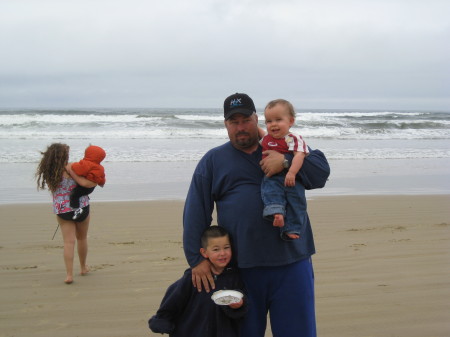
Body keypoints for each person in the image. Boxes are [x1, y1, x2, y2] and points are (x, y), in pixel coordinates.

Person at [183, 93, 317, 337]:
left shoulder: (287, 146)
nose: (241, 127)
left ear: (257, 120)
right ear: (226, 125)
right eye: (234, 122)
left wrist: (286, 162)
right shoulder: (213, 161)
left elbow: (320, 173)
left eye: (246, 120)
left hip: (292, 263)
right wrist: (197, 259)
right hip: (240, 269)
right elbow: (196, 211)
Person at [149, 226, 247, 337]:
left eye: (226, 247)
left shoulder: (234, 276)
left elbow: (241, 306)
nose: (222, 253)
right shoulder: (193, 276)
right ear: (204, 252)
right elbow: (174, 298)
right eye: (216, 249)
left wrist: (239, 306)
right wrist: (163, 320)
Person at [36, 143, 97, 284]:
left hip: (62, 209)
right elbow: (87, 182)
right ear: (64, 156)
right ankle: (83, 267)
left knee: (68, 242)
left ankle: (69, 275)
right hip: (81, 207)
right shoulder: (73, 167)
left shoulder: (49, 171)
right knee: (82, 238)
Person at [259, 99, 309, 240]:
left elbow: (299, 155)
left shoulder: (293, 138)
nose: (273, 124)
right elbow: (260, 134)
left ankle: (292, 228)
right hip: (272, 176)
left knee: (296, 200)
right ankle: (277, 214)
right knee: (270, 192)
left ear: (291, 121)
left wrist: (292, 172)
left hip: (290, 177)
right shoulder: (266, 139)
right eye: (269, 121)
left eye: (278, 119)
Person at [68, 145, 106, 220]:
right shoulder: (100, 167)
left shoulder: (86, 163)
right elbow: (102, 177)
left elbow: (78, 170)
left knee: (74, 195)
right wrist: (101, 182)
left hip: (84, 187)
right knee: (81, 193)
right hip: (92, 187)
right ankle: (84, 198)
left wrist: (73, 165)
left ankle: (76, 209)